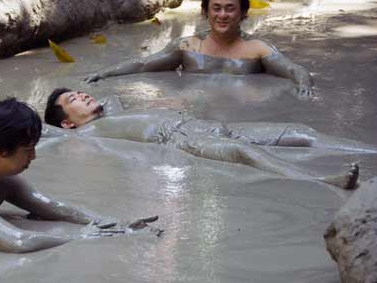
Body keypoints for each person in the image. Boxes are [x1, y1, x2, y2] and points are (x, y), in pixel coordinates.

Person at [0, 97, 160, 253]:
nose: (33, 157)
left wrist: (114, 222)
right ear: (0, 151)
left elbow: (51, 206)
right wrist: (80, 236)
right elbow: (14, 241)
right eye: (27, 150)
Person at [43, 88, 377, 190]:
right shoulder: (83, 135)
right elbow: (42, 132)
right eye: (72, 100)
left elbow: (111, 92)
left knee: (300, 131)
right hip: (179, 139)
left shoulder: (110, 110)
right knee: (240, 151)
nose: (83, 96)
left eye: (81, 92)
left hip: (208, 122)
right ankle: (324, 180)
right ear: (67, 124)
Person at [84, 0, 312, 98]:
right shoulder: (187, 46)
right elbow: (144, 64)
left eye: (230, 8)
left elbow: (294, 70)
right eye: (216, 8)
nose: (222, 15)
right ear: (206, 11)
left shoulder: (257, 50)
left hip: (243, 116)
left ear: (243, 12)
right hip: (198, 112)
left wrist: (303, 87)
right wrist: (105, 73)